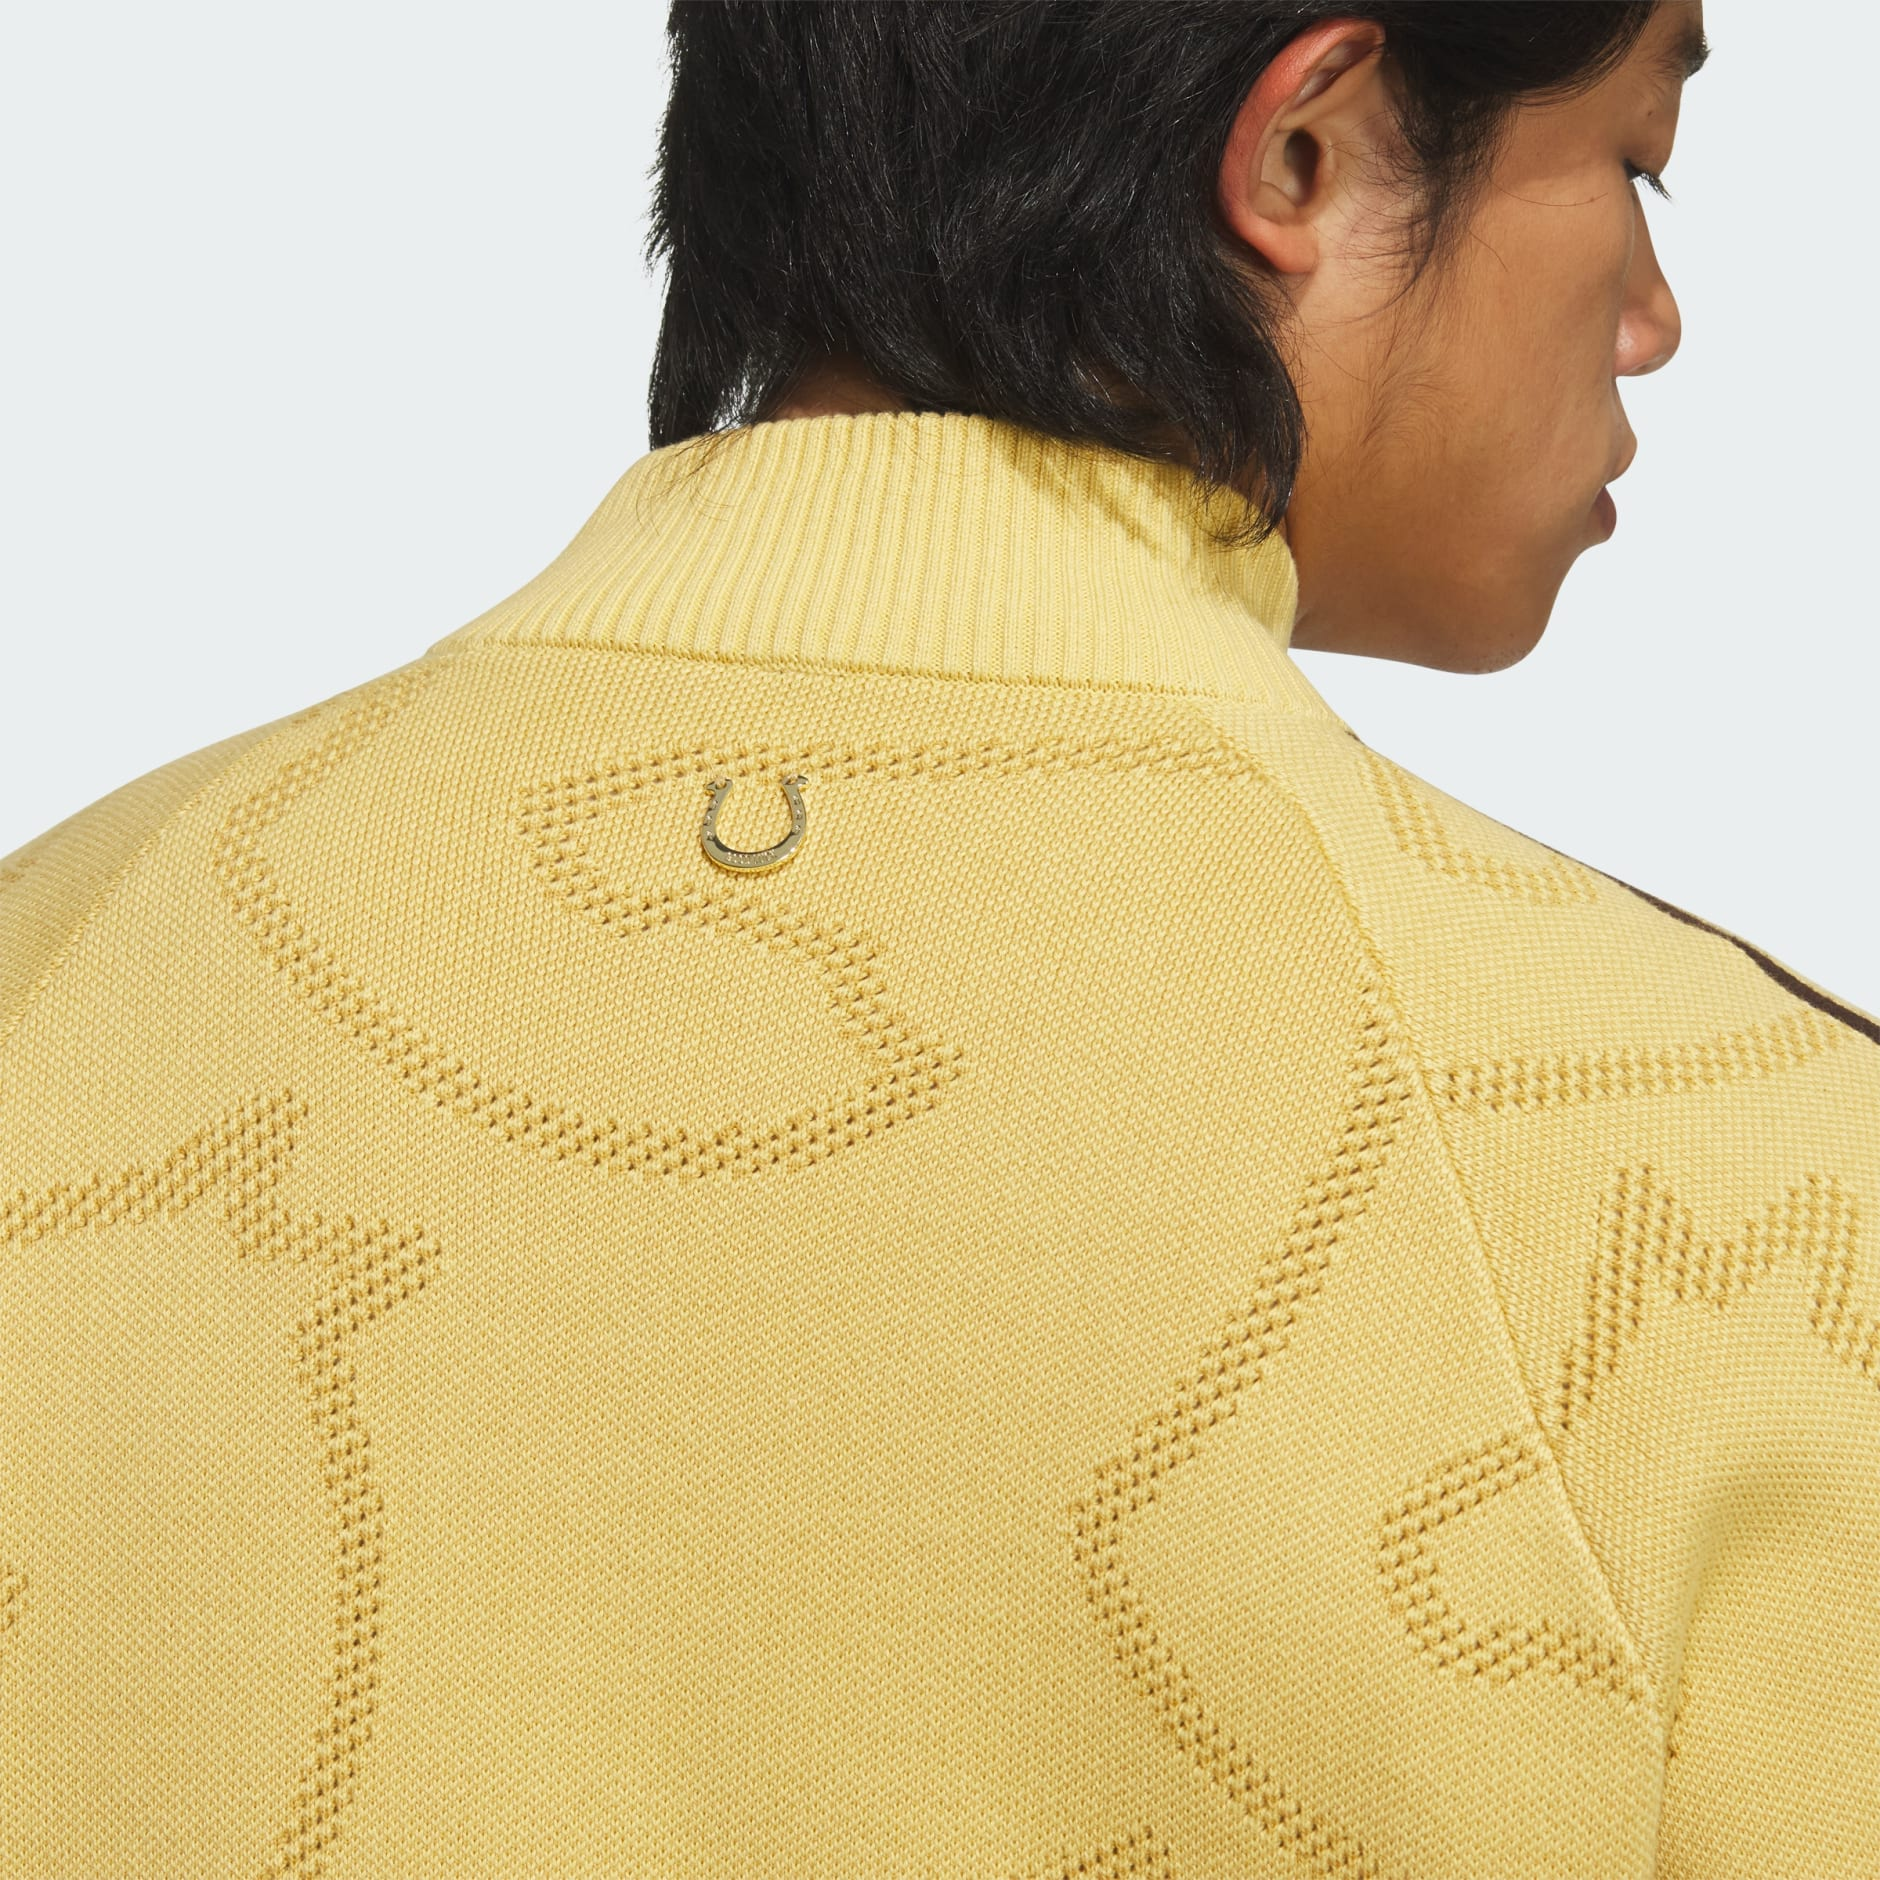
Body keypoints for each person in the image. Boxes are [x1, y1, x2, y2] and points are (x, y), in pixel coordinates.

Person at [1, 2, 1873, 1874]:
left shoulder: (56, 974)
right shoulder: (1737, 1188)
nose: (1651, 317)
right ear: (1306, 150)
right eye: (1637, 165)